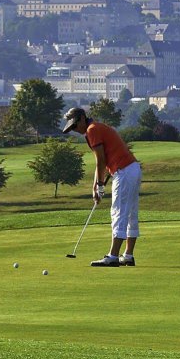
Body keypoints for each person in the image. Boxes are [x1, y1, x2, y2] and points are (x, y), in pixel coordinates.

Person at [62, 106, 142, 267]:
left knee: (119, 212)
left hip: (124, 171)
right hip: (132, 169)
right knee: (130, 213)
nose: (75, 130)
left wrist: (100, 185)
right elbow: (101, 161)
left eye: (74, 125)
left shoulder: (92, 130)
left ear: (82, 119)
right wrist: (95, 186)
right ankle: (128, 255)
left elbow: (101, 161)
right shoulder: (96, 127)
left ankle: (113, 256)